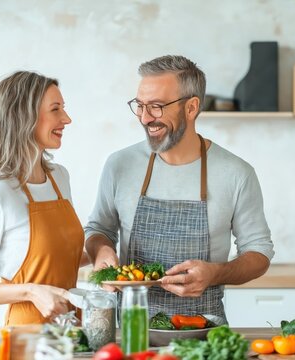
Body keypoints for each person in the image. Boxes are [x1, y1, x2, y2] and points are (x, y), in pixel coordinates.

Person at [84, 55, 274, 319]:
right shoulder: (119, 165)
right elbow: (98, 230)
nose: (145, 118)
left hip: (203, 335)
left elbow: (259, 253)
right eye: (140, 105)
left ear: (192, 107)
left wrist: (216, 273)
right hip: (132, 332)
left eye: (157, 106)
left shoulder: (236, 173)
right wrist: (102, 251)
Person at [0, 71, 88, 325]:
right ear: (23, 116)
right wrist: (30, 291)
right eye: (55, 109)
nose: (66, 119)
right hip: (27, 339)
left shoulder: (60, 178)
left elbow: (57, 259)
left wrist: (101, 251)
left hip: (73, 332)